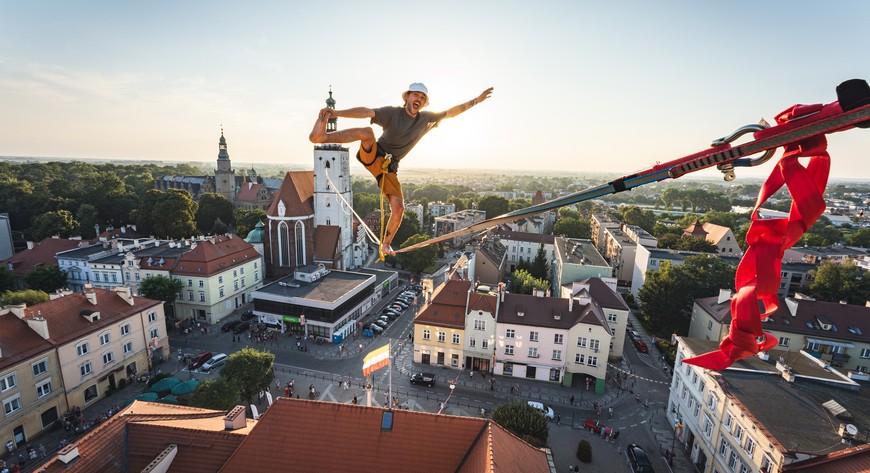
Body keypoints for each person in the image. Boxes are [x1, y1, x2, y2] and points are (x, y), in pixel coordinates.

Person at [310, 83, 494, 256]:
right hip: (374, 154)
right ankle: (322, 137)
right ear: (407, 97)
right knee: (367, 132)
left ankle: (386, 244)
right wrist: (337, 113)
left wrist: (476, 101)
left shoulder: (426, 118)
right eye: (416, 95)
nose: (419, 99)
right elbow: (366, 111)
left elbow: (452, 112)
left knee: (398, 209)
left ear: (424, 103)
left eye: (422, 97)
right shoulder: (392, 113)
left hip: (389, 168)